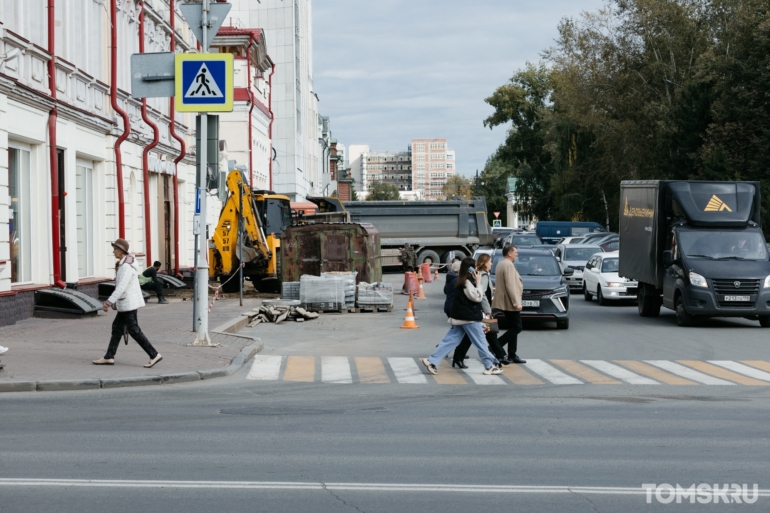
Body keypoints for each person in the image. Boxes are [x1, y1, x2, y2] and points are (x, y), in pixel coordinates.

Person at [421, 257, 502, 376]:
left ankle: (431, 361)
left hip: (461, 317)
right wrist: (478, 282)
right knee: (481, 342)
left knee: (450, 340)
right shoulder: (466, 282)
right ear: (469, 269)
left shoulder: (461, 280)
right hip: (469, 318)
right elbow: (477, 297)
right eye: (474, 267)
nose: (476, 269)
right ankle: (490, 366)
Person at [93, 238, 163, 368]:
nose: (113, 252)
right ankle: (109, 356)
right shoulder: (126, 264)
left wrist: (108, 302)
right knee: (117, 328)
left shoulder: (126, 266)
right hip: (127, 302)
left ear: (121, 251)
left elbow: (121, 287)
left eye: (115, 249)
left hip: (128, 303)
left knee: (134, 330)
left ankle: (154, 354)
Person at [452, 254, 511, 366]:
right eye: (490, 262)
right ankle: (499, 356)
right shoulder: (483, 276)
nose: (491, 264)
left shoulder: (484, 275)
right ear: (485, 263)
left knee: (481, 334)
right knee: (488, 333)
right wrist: (488, 310)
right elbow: (481, 294)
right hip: (483, 310)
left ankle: (458, 357)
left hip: (482, 309)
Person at [492, 244, 527, 364]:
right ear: (509, 253)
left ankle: (512, 354)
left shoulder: (501, 263)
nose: (517, 254)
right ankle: (495, 347)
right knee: (517, 327)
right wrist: (516, 302)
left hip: (505, 300)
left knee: (513, 327)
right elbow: (510, 285)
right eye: (515, 252)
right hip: (509, 302)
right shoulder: (508, 265)